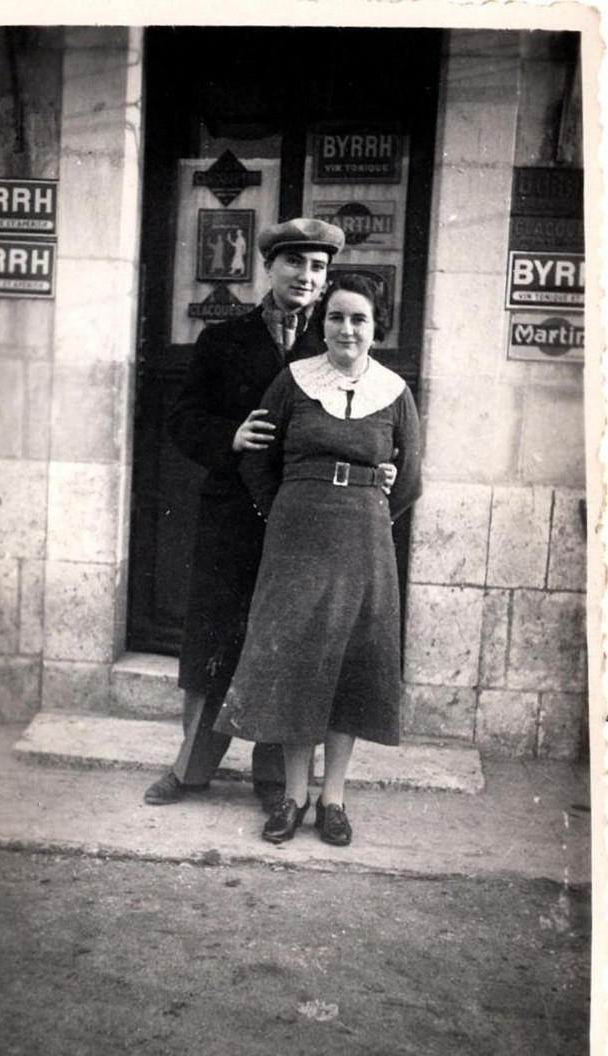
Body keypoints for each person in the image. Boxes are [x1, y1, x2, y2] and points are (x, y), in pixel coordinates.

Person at [144, 219, 396, 810]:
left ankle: (274, 779)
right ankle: (191, 768)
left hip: (309, 528)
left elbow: (375, 423)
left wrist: (379, 471)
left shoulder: (336, 344)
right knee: (217, 639)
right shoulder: (222, 342)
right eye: (294, 264)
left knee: (295, 644)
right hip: (233, 514)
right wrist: (228, 435)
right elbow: (183, 419)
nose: (305, 278)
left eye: (317, 268)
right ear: (270, 268)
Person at [215, 273, 422, 846]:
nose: (346, 329)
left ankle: (334, 800)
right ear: (322, 324)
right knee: (296, 662)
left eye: (358, 318)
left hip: (362, 543)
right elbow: (257, 456)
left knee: (349, 667)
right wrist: (277, 513)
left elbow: (409, 481)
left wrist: (370, 513)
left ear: (376, 327)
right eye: (336, 317)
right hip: (296, 540)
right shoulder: (292, 382)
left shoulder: (394, 393)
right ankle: (293, 797)